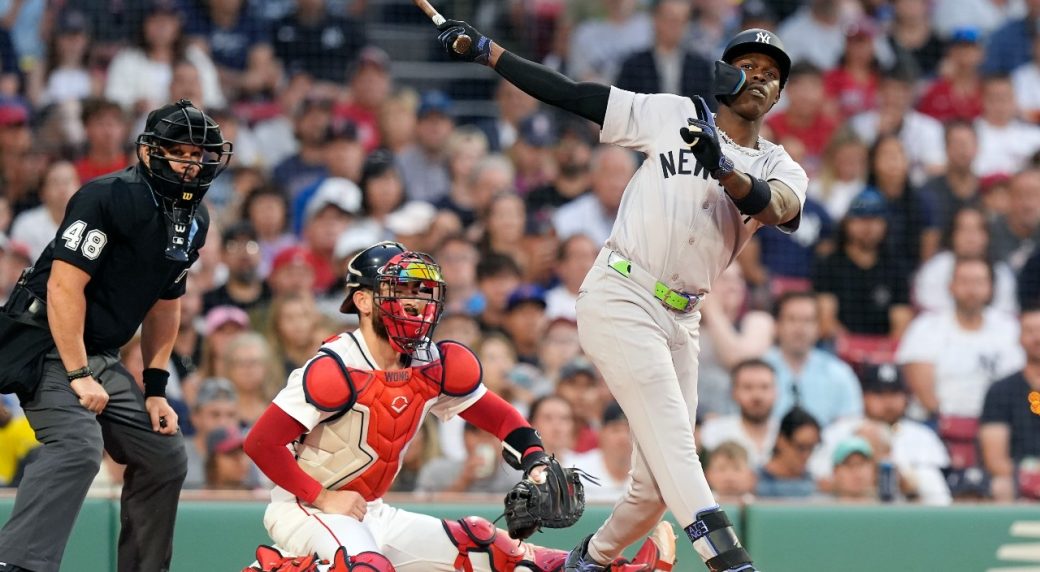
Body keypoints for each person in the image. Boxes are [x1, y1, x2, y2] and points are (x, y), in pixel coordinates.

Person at [438, 20, 806, 572]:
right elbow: (574, 95)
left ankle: (588, 560)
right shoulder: (676, 114)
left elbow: (776, 208)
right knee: (677, 447)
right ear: (722, 74)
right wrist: (490, 53)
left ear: (778, 95)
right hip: (622, 291)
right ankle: (729, 561)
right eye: (748, 66)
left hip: (684, 316)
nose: (759, 77)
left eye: (771, 74)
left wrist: (725, 168)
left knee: (654, 488)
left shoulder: (781, 164)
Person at [243, 241, 673, 571]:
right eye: (399, 290)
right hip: (305, 508)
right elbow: (261, 443)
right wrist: (322, 496)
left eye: (419, 290)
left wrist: (536, 461)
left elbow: (500, 417)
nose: (414, 302)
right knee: (368, 568)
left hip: (370, 511)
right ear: (364, 300)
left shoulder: (433, 363)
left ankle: (611, 569)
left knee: (485, 547)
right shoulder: (334, 367)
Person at [0, 99, 230, 572]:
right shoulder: (105, 196)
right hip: (43, 341)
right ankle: (18, 564)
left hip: (98, 352)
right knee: (78, 446)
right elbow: (64, 288)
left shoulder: (195, 220)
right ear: (148, 153)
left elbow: (166, 302)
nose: (191, 164)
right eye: (179, 153)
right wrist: (78, 373)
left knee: (164, 453)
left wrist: (155, 389)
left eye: (198, 154)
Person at [979, 306, 1040, 501]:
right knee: (1001, 486)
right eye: (1030, 331)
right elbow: (995, 459)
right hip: (1019, 475)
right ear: (1019, 338)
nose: (1037, 338)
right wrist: (1030, 477)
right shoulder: (1001, 390)